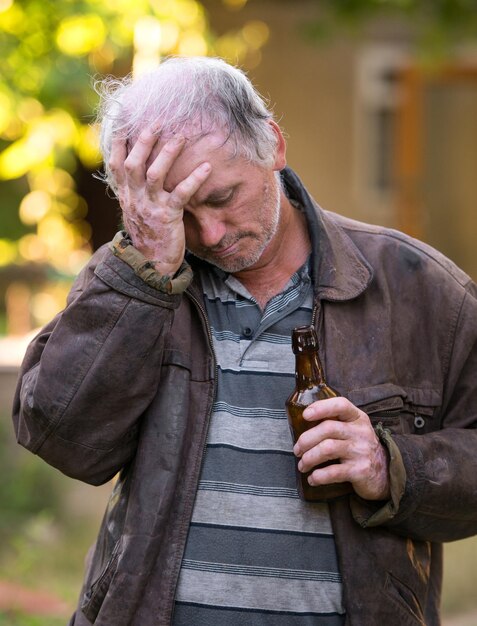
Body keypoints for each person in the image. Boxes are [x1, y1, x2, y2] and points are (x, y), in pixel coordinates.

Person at [12, 56, 477, 626]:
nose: (209, 235)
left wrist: (393, 464)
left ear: (273, 147)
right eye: (179, 212)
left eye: (220, 197)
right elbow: (61, 438)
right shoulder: (132, 280)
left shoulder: (417, 285)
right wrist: (145, 278)